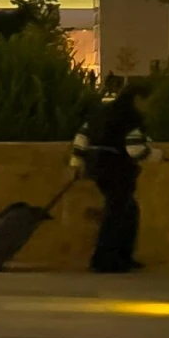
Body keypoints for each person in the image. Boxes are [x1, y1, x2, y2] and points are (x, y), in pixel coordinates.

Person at [71, 82, 155, 275]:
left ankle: (121, 256)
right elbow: (135, 150)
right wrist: (158, 155)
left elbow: (82, 137)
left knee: (127, 210)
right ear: (138, 99)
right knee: (117, 212)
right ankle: (106, 259)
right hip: (118, 169)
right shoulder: (132, 118)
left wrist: (76, 162)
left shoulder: (101, 112)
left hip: (97, 166)